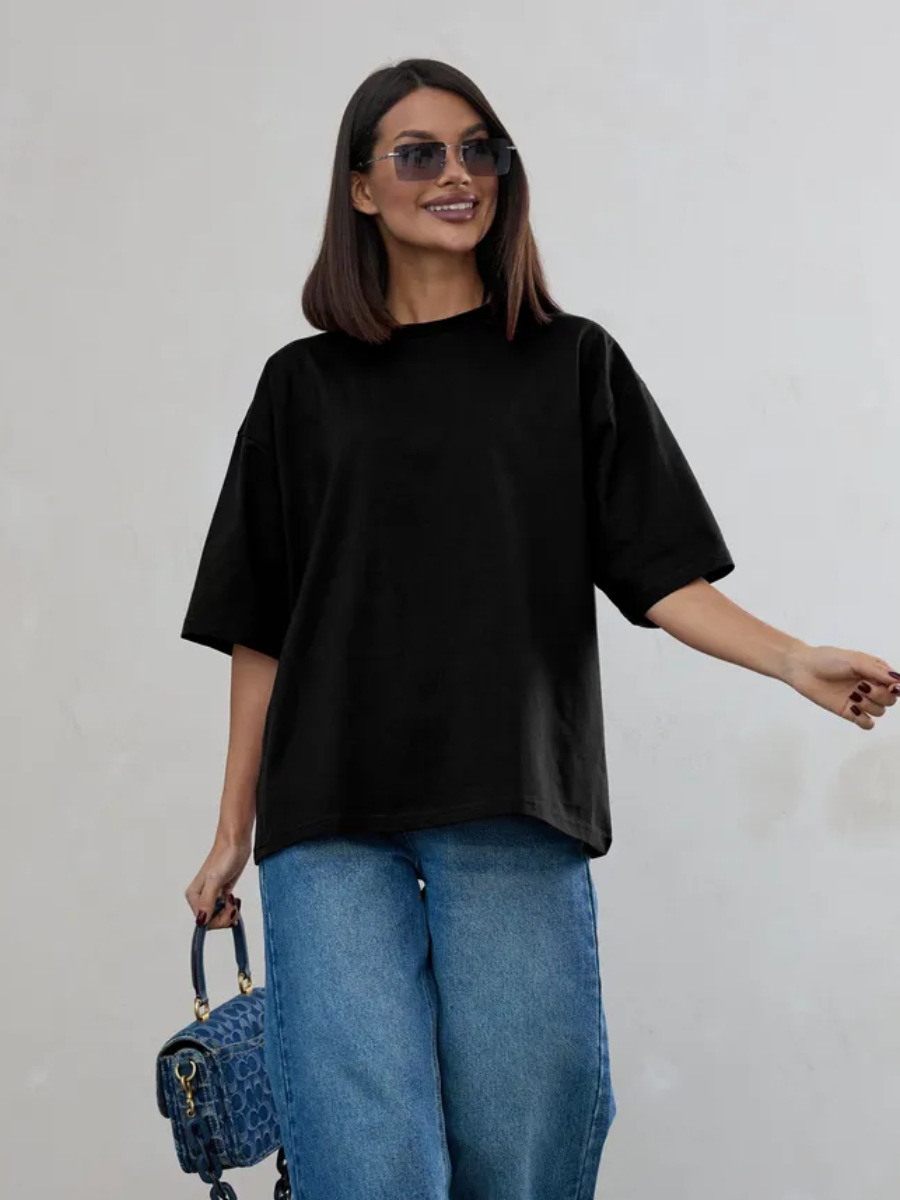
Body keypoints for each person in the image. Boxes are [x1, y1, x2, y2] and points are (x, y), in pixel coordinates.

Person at [180, 57, 899, 1200]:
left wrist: (790, 658)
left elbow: (660, 576)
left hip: (511, 800)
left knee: (522, 1146)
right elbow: (257, 625)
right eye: (420, 154)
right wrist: (231, 829)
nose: (457, 174)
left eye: (481, 150)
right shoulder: (299, 389)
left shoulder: (570, 364)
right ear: (361, 188)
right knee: (369, 1165)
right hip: (327, 815)